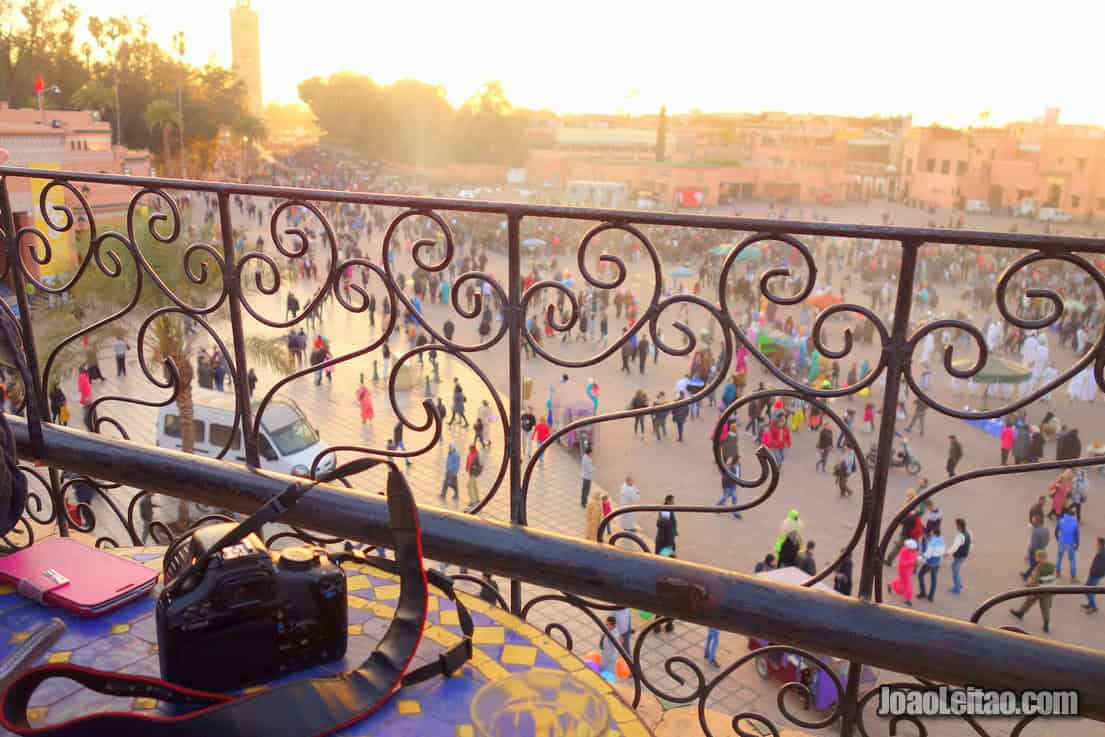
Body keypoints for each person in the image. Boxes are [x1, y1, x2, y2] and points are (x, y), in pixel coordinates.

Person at [1010, 550, 1056, 633]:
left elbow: (1035, 581)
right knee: (1045, 608)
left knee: (1029, 601)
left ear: (1040, 558)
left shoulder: (1039, 567)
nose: (1036, 558)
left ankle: (1020, 613)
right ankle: (1046, 625)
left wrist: (1029, 587)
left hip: (1038, 590)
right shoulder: (1052, 566)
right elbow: (1052, 578)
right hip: (1048, 590)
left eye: (1037, 557)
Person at [916, 528, 945, 602]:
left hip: (930, 562)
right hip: (937, 562)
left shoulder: (932, 542)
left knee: (920, 575)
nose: (931, 533)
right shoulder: (941, 539)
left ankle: (923, 592)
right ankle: (931, 596)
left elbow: (928, 555)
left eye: (932, 532)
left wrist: (919, 558)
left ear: (934, 533)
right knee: (934, 580)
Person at [888, 539, 919, 606]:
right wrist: (912, 563)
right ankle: (908, 599)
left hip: (909, 570)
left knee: (902, 583)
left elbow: (915, 558)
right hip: (903, 571)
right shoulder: (903, 551)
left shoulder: (914, 551)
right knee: (908, 584)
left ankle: (891, 585)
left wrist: (916, 562)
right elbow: (902, 563)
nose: (914, 550)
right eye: (913, 548)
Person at [946, 518, 971, 594]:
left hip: (959, 556)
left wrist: (946, 553)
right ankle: (959, 584)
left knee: (955, 571)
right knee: (955, 569)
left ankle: (956, 589)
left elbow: (954, 547)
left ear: (959, 526)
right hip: (964, 555)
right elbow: (970, 543)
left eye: (956, 525)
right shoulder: (968, 533)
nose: (956, 526)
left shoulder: (960, 536)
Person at [1022, 514, 1050, 581]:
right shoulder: (1046, 530)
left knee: (1034, 566)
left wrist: (1029, 550)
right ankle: (1026, 575)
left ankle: (1031, 579)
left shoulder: (1035, 532)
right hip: (1043, 550)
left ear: (1037, 523)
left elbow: (1034, 545)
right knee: (1036, 565)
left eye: (1033, 522)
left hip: (1035, 552)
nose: (1032, 523)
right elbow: (1048, 540)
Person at [1055, 509, 1080, 582]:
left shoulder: (1060, 520)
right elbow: (1077, 536)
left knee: (1059, 558)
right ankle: (1073, 577)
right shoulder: (1075, 523)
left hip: (1061, 542)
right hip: (1070, 543)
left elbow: (1056, 532)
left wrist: (1058, 539)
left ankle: (1057, 573)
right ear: (1073, 515)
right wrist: (1077, 544)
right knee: (1072, 560)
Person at [1082, 537, 1105, 613]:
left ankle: (1094, 607)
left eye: (1097, 543)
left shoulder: (1101, 554)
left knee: (1089, 591)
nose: (1096, 545)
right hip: (1095, 574)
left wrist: (1092, 573)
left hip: (1095, 575)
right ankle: (1090, 604)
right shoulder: (1101, 552)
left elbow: (1099, 566)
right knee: (1088, 590)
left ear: (1101, 545)